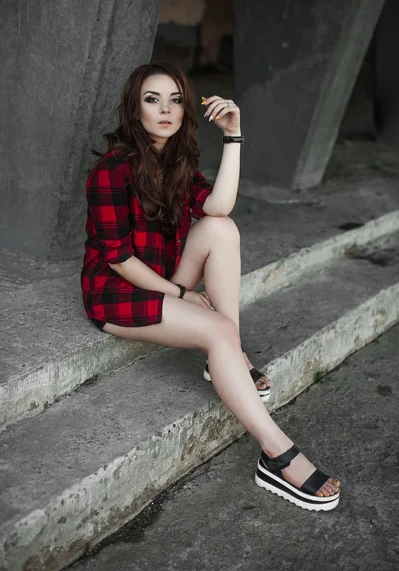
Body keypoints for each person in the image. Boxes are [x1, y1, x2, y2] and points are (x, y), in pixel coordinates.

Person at [81, 62, 340, 511]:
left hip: (163, 279)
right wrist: (182, 295)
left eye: (175, 100)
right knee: (217, 329)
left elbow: (219, 205)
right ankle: (277, 454)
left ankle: (230, 354)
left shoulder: (178, 161)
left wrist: (233, 136)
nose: (165, 109)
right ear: (133, 108)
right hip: (116, 291)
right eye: (152, 99)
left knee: (222, 228)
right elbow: (119, 259)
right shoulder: (112, 169)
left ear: (185, 109)